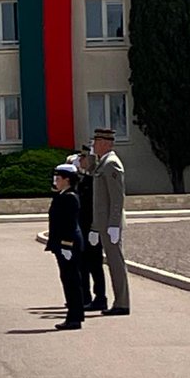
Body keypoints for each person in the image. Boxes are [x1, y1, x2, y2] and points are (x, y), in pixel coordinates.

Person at [91, 128, 130, 316]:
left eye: (96, 142)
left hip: (110, 224)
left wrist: (114, 224)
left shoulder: (111, 164)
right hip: (104, 223)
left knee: (116, 262)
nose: (93, 145)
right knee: (113, 262)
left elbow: (116, 198)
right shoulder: (102, 163)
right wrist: (95, 227)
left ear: (106, 143)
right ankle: (119, 302)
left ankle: (122, 303)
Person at [45, 163, 85, 330]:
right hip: (63, 245)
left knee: (72, 281)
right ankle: (74, 315)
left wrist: (66, 246)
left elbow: (68, 225)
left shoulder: (69, 197)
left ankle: (74, 317)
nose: (56, 181)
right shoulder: (63, 195)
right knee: (68, 279)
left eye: (58, 178)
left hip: (68, 245)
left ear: (67, 180)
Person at [76, 147, 107, 312]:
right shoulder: (85, 179)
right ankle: (86, 296)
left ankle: (100, 297)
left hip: (92, 229)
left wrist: (96, 228)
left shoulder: (95, 180)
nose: (81, 160)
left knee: (95, 265)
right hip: (83, 228)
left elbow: (97, 206)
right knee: (84, 265)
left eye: (84, 157)